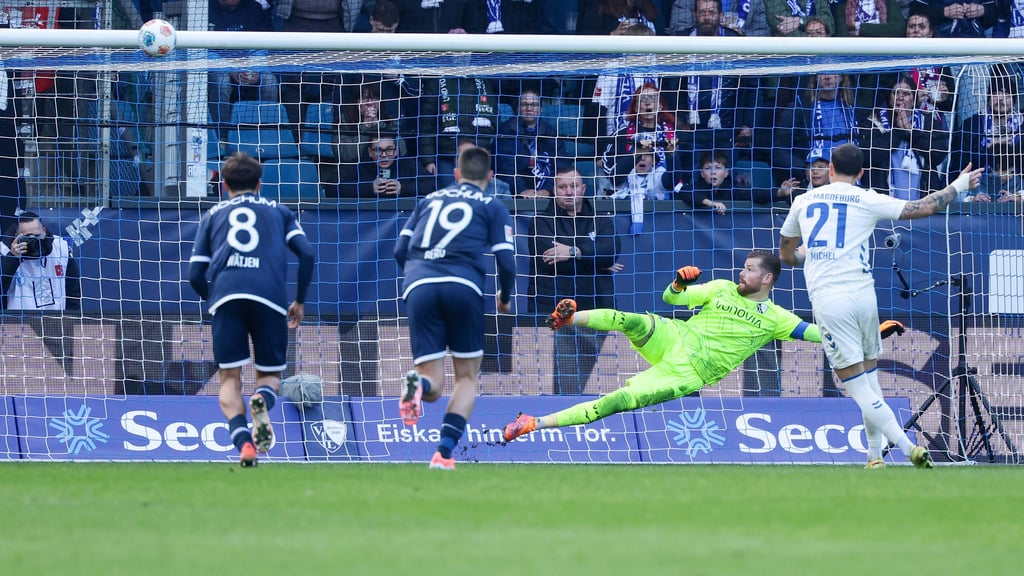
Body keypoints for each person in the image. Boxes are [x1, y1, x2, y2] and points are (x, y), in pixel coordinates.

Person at [503, 250, 907, 447]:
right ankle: (568, 319)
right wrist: (679, 283)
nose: (741, 273)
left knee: (617, 400)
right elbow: (671, 300)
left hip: (689, 373)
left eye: (749, 269)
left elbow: (822, 335)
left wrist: (868, 332)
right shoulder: (719, 288)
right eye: (742, 267)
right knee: (630, 320)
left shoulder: (777, 318)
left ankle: (533, 423)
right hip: (676, 337)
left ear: (767, 278)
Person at [778, 142, 985, 469]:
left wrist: (807, 255)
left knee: (857, 384)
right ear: (860, 173)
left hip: (830, 299)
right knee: (870, 376)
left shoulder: (803, 201)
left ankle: (906, 447)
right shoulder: (866, 197)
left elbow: (787, 254)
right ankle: (874, 457)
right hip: (864, 296)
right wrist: (958, 185)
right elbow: (923, 207)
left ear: (829, 169)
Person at [188, 153, 316, 467]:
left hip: (226, 296)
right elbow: (308, 255)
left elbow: (194, 276)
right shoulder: (280, 212)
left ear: (225, 185)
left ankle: (245, 444)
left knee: (230, 379)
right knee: (269, 376)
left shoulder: (213, 214)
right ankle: (261, 400)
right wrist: (298, 301)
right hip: (269, 296)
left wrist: (213, 301)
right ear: (260, 184)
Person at [394, 146, 516, 469]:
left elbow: (399, 249)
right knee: (466, 377)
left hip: (419, 284)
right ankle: (443, 454)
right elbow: (506, 260)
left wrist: (417, 278)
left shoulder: (428, 201)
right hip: (463, 285)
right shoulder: (493, 204)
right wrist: (504, 295)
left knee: (432, 384)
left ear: (456, 174)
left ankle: (416, 385)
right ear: (490, 177)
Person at [529, 162, 621, 394]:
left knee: (601, 385)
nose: (569, 192)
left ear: (584, 188)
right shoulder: (540, 221)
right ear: (554, 189)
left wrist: (573, 252)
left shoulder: (601, 219)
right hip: (554, 311)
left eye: (574, 186)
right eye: (562, 187)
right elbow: (550, 261)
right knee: (557, 384)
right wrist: (596, 263)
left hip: (596, 308)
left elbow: (610, 250)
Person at [0, 212, 81, 312]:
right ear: (17, 236)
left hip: (57, 320)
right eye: (28, 236)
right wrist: (12, 258)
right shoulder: (4, 252)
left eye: (37, 236)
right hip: (19, 321)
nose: (33, 240)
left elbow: (73, 291)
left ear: (44, 230)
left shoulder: (61, 248)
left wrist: (72, 319)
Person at [494, 86, 565, 197]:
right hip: (514, 193)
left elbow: (560, 164)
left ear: (541, 109)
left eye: (534, 105)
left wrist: (547, 189)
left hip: (546, 192)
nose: (529, 108)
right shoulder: (506, 130)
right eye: (524, 104)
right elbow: (506, 167)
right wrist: (521, 190)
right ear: (517, 108)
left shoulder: (550, 132)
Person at [336, 134, 428, 198]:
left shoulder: (408, 164)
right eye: (378, 150)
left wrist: (402, 188)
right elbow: (332, 187)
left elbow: (434, 185)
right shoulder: (357, 165)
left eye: (389, 149)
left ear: (396, 151)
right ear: (370, 152)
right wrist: (369, 188)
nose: (384, 155)